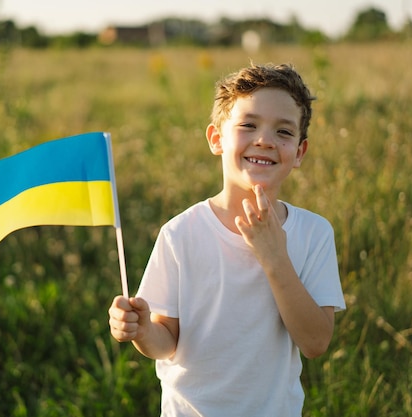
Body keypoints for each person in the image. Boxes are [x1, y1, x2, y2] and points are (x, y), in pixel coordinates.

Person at [108, 63, 346, 416]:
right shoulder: (180, 234)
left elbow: (314, 342)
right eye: (248, 125)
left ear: (299, 152)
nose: (264, 140)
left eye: (283, 131)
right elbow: (166, 341)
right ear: (217, 139)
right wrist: (143, 330)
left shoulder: (313, 234)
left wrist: (275, 257)